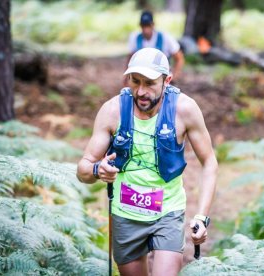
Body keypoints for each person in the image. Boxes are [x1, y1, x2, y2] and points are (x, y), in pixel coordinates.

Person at [77, 47, 217, 276]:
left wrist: (201, 217)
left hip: (168, 212)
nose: (141, 91)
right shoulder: (112, 111)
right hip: (125, 215)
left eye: (150, 83)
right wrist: (97, 169)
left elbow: (210, 162)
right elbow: (82, 170)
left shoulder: (184, 109)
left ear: (167, 80)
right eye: (135, 81)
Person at [125, 10, 184, 83]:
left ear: (153, 24)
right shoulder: (135, 38)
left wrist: (174, 76)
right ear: (140, 25)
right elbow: (130, 58)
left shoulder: (165, 38)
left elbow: (179, 58)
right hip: (142, 77)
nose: (146, 30)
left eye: (148, 26)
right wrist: (127, 77)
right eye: (143, 26)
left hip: (162, 77)